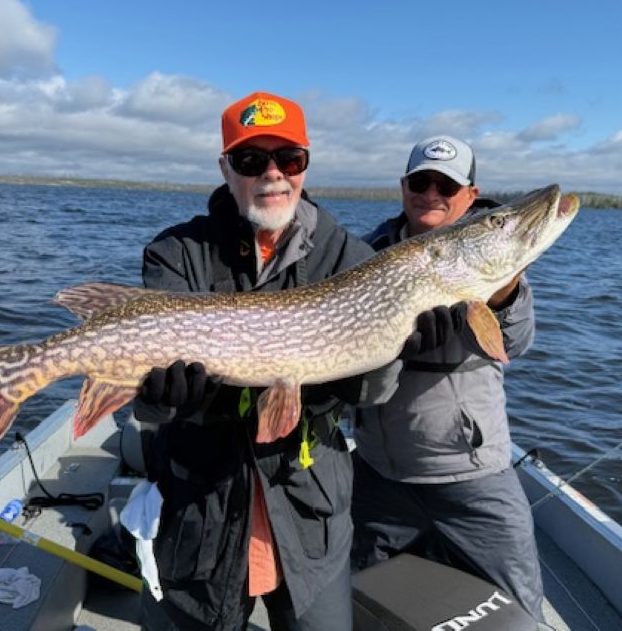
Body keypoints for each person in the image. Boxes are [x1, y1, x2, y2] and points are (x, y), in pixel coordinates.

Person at [132, 91, 407, 631]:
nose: (273, 175)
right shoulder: (177, 252)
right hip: (200, 515)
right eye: (251, 160)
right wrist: (159, 398)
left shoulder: (350, 257)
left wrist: (396, 347)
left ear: (306, 164)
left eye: (289, 159)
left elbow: (375, 391)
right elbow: (147, 396)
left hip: (309, 514)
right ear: (226, 169)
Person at [350, 135, 546, 623]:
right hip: (380, 473)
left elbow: (515, 343)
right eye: (422, 181)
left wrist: (502, 297)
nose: (432, 192)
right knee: (353, 595)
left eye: (447, 184)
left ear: (471, 195)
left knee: (521, 607)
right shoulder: (364, 255)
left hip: (473, 476)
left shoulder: (490, 259)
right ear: (404, 187)